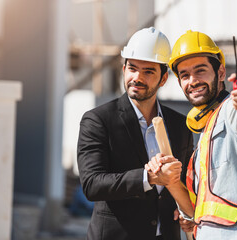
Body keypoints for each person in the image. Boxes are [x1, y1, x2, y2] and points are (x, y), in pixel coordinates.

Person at [146, 30, 237, 240]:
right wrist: (169, 181)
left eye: (200, 71)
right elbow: (196, 212)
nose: (193, 81)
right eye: (185, 75)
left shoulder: (232, 110)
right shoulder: (206, 133)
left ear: (221, 73)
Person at [77, 27, 194, 240]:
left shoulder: (180, 125)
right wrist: (147, 178)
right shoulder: (98, 120)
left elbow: (187, 184)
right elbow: (92, 184)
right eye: (132, 68)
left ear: (163, 78)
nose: (137, 77)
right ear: (123, 69)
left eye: (148, 71)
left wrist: (185, 212)